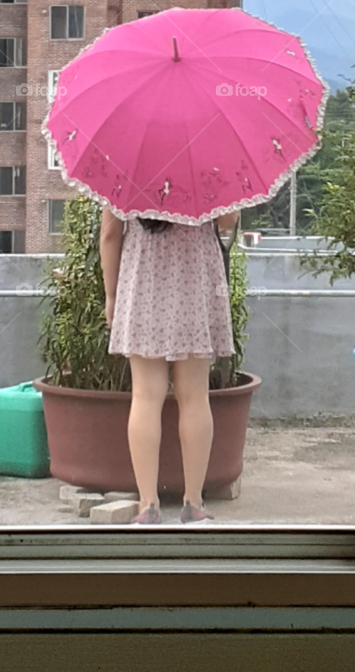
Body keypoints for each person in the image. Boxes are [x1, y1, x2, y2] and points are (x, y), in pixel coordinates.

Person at [101, 206, 240, 526]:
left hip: (143, 281)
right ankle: (193, 504)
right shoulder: (208, 159)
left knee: (146, 397)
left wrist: (111, 295)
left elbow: (110, 234)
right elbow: (227, 221)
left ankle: (148, 506)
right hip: (195, 281)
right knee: (194, 397)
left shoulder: (125, 162)